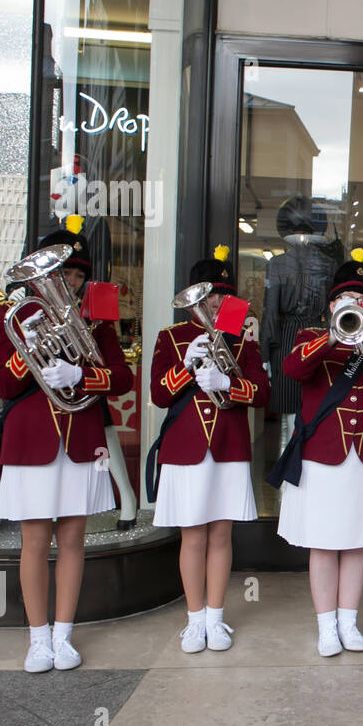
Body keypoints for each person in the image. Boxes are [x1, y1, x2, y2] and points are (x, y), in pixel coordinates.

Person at [0, 215, 134, 673]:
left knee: (73, 538)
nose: (69, 281)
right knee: (34, 540)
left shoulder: (96, 318)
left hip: (80, 435)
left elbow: (122, 378)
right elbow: (3, 386)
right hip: (32, 437)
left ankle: (63, 635)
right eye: (61, 273)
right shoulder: (11, 316)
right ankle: (36, 639)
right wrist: (27, 351)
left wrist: (81, 375)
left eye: (75, 274)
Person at [272, 249, 363, 656]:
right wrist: (333, 335)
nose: (356, 308)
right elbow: (293, 371)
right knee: (324, 543)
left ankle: (349, 621)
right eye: (348, 301)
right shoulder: (311, 338)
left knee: (357, 541)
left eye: (362, 302)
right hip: (323, 455)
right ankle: (326, 626)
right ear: (332, 305)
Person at [148, 246, 270, 654]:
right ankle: (194, 619)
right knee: (192, 536)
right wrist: (185, 365)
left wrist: (227, 385)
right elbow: (159, 396)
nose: (215, 302)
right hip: (186, 446)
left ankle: (216, 619)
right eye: (207, 295)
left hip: (228, 445)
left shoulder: (242, 338)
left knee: (221, 534)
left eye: (221, 294)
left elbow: (261, 392)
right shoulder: (170, 337)